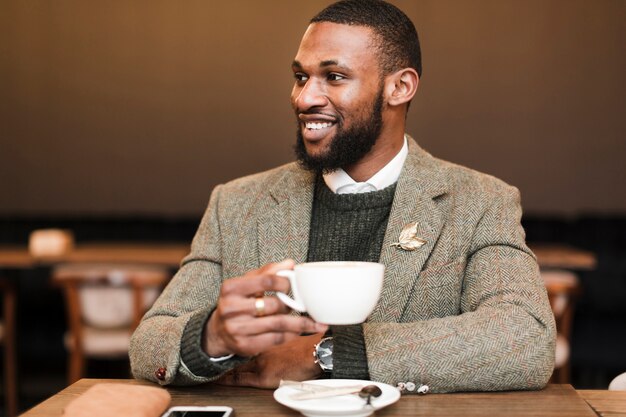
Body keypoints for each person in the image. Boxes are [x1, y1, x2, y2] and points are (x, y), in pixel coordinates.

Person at [130, 0, 555, 393]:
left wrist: (327, 354)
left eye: (333, 77)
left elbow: (526, 339)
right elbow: (149, 345)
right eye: (301, 77)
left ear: (400, 87)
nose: (305, 98)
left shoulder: (480, 201)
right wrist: (213, 336)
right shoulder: (237, 204)